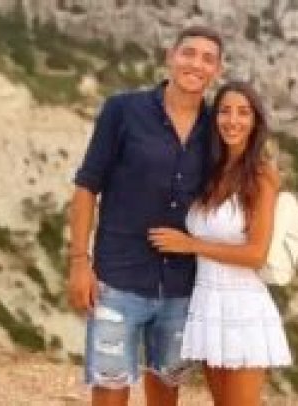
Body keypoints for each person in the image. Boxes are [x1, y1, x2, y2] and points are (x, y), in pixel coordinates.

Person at [67, 26, 223, 406]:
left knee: (167, 387)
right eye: (189, 53)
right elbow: (87, 187)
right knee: (110, 386)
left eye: (208, 59)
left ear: (217, 71)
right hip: (118, 278)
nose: (196, 64)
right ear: (171, 57)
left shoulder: (216, 128)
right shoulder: (123, 110)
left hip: (182, 285)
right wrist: (79, 262)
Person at [148, 81, 292, 406]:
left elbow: (256, 254)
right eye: (225, 111)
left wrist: (191, 245)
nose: (233, 120)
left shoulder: (261, 175)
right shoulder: (210, 172)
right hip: (208, 303)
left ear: (255, 121)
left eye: (243, 112)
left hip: (243, 306)